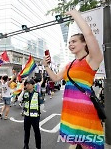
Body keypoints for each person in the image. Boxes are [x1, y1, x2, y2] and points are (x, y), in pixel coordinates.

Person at [43, 9, 104, 149]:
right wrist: (46, 66)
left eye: (74, 41)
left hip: (86, 112)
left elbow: (89, 34)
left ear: (84, 44)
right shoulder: (69, 65)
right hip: (70, 112)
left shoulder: (92, 59)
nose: (70, 44)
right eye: (69, 42)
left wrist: (75, 14)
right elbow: (56, 78)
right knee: (76, 143)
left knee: (88, 145)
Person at [22, 79, 41, 149]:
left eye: (28, 84)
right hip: (27, 116)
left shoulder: (37, 94)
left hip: (35, 117)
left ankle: (38, 146)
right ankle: (26, 145)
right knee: (26, 131)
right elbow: (19, 100)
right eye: (26, 84)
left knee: (36, 132)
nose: (27, 85)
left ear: (33, 85)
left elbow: (41, 105)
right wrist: (22, 91)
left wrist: (38, 112)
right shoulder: (25, 93)